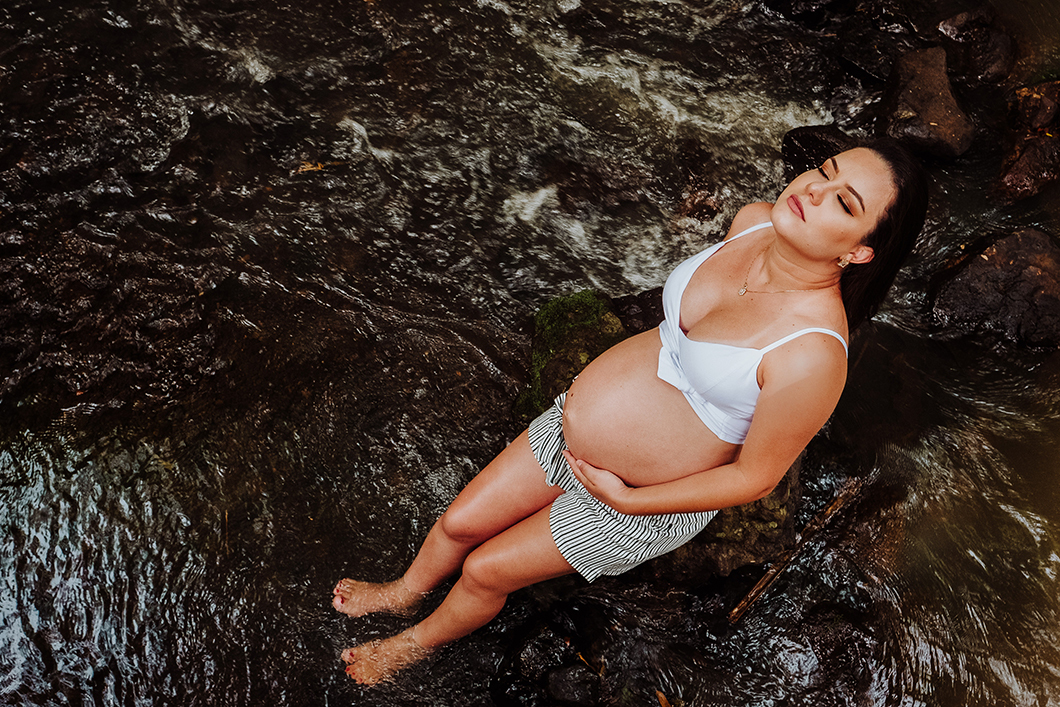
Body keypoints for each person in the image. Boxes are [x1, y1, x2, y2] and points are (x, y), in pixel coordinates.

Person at [332, 138, 929, 685]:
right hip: (569, 430)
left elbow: (756, 478)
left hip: (636, 502)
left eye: (844, 202)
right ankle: (405, 591)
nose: (814, 190)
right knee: (460, 523)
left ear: (860, 251)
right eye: (824, 170)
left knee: (486, 570)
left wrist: (627, 500)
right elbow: (677, 337)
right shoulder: (752, 223)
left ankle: (410, 646)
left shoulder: (813, 354)